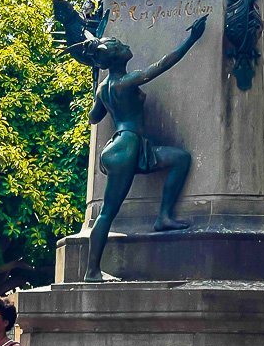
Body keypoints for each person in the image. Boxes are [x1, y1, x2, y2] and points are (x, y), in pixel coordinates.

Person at [81, 16, 208, 282]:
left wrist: (97, 87)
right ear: (117, 57)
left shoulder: (105, 88)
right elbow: (162, 65)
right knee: (108, 211)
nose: (127, 45)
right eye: (120, 45)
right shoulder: (125, 81)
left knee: (180, 159)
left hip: (124, 144)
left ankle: (163, 216)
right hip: (128, 145)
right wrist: (191, 39)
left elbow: (94, 118)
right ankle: (92, 271)